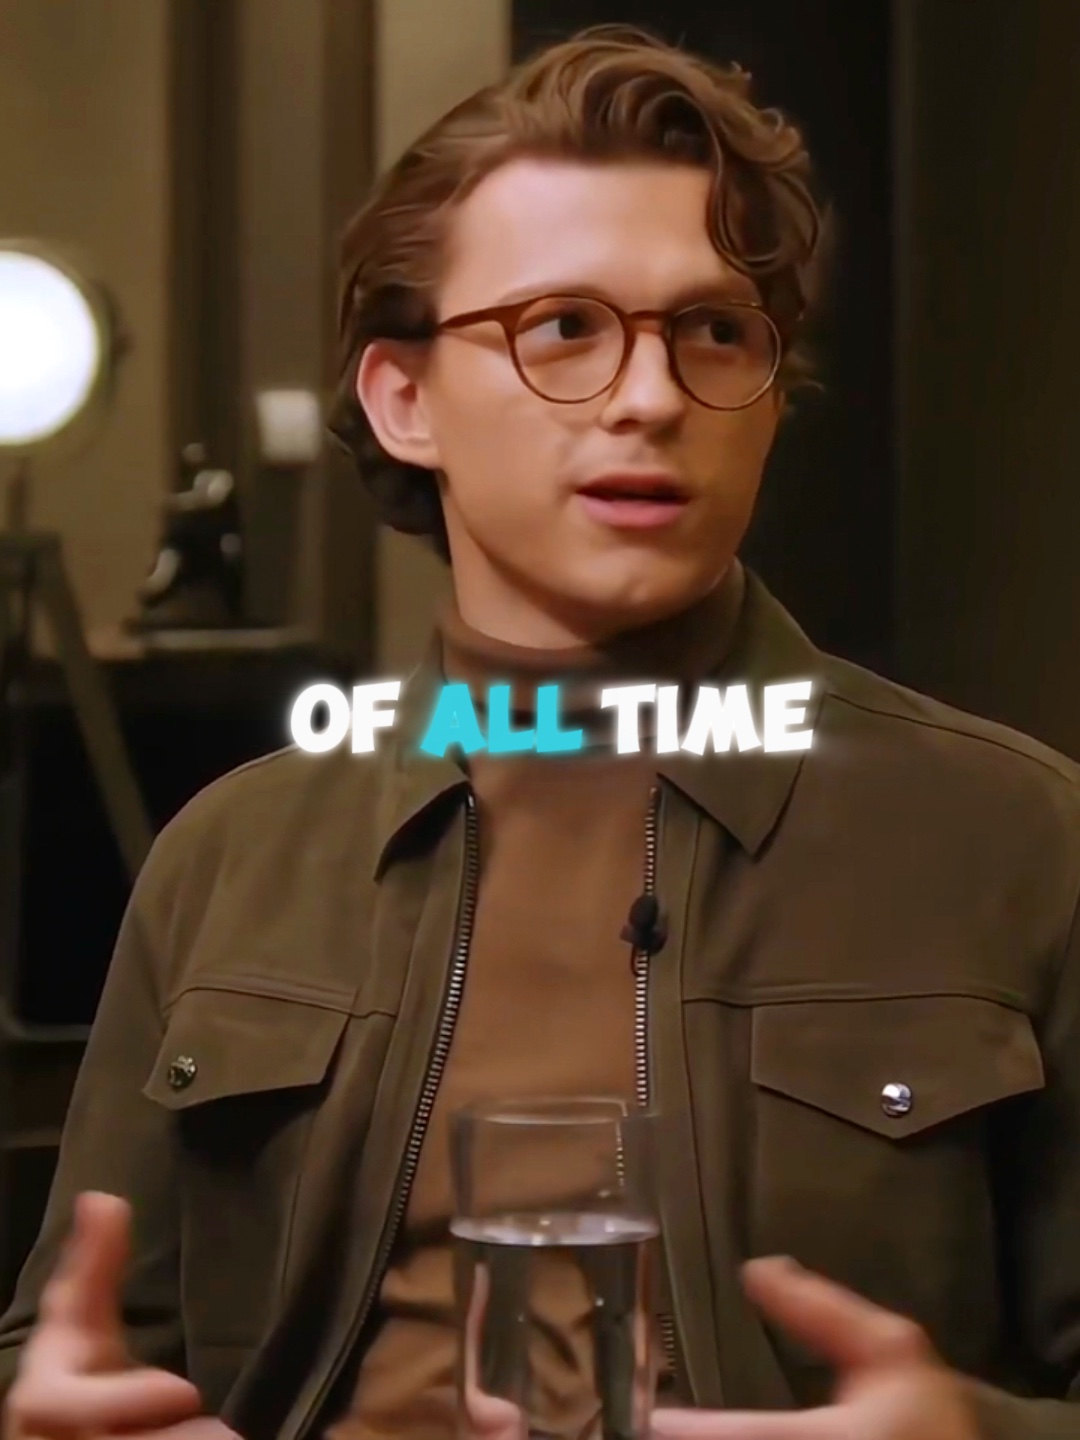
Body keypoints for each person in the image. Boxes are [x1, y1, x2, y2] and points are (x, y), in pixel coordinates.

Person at [2, 22, 1079, 1440]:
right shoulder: (233, 857)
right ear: (404, 400)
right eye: (565, 327)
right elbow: (64, 1354)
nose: (653, 396)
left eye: (714, 332)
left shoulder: (1013, 840)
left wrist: (975, 1436)